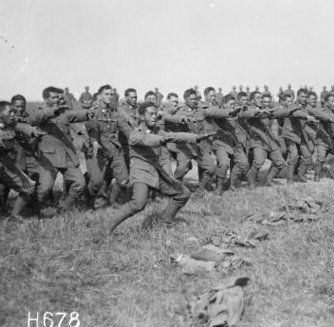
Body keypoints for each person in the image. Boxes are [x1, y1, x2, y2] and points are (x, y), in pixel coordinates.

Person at [104, 102, 213, 234]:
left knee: (183, 194)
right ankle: (106, 228)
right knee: (138, 204)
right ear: (142, 117)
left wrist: (196, 137)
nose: (154, 116)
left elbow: (175, 136)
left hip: (156, 171)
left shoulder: (158, 131)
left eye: (155, 114)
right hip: (141, 172)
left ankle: (165, 221)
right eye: (150, 114)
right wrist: (161, 140)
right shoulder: (135, 133)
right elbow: (148, 139)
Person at [32, 86, 93, 211]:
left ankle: (64, 208)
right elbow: (40, 116)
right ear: (45, 99)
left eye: (59, 98)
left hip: (67, 155)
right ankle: (36, 209)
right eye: (53, 98)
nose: (57, 100)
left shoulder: (63, 112)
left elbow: (75, 115)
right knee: (44, 189)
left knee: (80, 184)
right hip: (49, 157)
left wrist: (88, 113)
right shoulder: (40, 112)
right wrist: (54, 111)